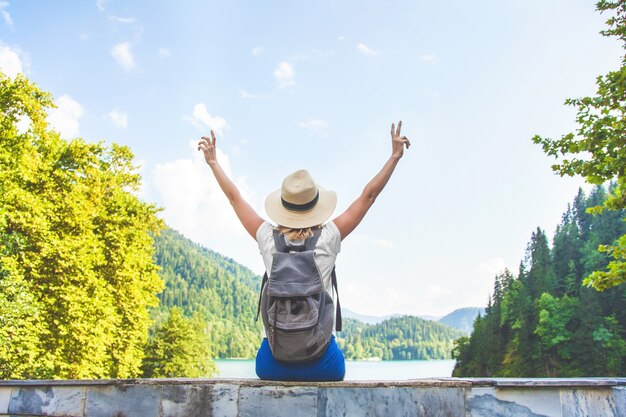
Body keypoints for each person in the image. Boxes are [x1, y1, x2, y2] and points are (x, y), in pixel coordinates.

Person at [197, 121, 410, 381]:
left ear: (282, 205)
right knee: (337, 360)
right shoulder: (329, 236)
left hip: (271, 364)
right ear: (316, 204)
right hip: (322, 364)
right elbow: (368, 196)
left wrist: (213, 163)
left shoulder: (266, 236)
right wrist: (394, 157)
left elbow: (234, 198)